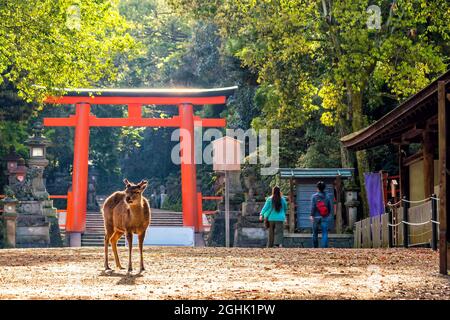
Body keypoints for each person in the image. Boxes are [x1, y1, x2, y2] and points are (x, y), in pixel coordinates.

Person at [310, 181, 333, 248]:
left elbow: (313, 207)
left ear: (317, 188)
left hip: (316, 217)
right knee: (325, 233)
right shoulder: (327, 196)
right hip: (324, 217)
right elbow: (329, 207)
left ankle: (315, 247)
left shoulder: (314, 196)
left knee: (315, 233)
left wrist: (311, 215)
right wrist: (327, 214)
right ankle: (324, 248)